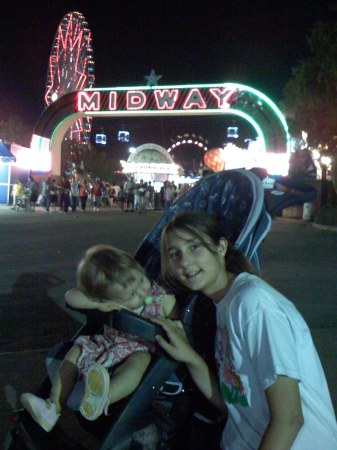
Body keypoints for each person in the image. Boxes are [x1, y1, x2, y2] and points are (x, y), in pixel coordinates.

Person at [154, 210, 337, 450]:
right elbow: (233, 403)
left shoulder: (253, 304)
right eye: (174, 254)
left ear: (220, 248)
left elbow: (289, 420)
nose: (184, 262)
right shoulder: (223, 304)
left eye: (194, 247)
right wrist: (190, 357)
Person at [20, 244, 177, 433]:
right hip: (106, 345)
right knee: (76, 350)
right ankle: (53, 406)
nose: (143, 291)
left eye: (141, 280)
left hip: (137, 350)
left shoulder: (161, 299)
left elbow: (177, 320)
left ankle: (101, 399)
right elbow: (71, 297)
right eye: (133, 294)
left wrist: (171, 317)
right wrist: (99, 303)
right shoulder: (109, 300)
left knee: (140, 361)